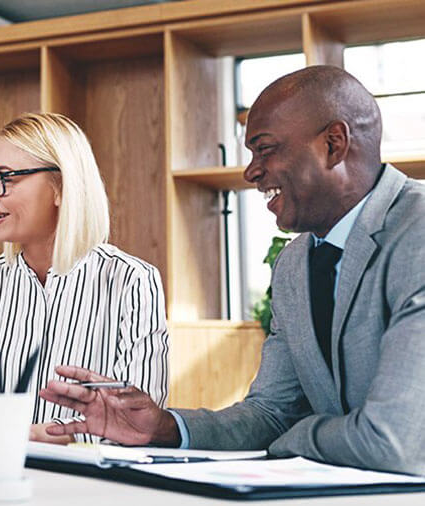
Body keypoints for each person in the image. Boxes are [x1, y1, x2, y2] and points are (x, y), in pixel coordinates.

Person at [40, 66, 425, 474]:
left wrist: (298, 435)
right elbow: (272, 414)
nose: (251, 172)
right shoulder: (294, 264)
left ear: (333, 144)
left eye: (265, 149)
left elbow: (395, 441)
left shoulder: (416, 232)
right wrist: (165, 427)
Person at [0, 112, 169, 443]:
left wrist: (52, 437)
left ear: (62, 186)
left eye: (4, 178)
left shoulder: (132, 281)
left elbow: (138, 424)